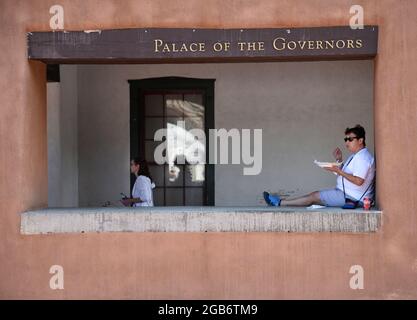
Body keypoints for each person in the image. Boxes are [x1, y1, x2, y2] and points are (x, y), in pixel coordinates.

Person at [263, 125, 375, 208]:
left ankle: (279, 203)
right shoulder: (356, 156)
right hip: (345, 193)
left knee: (313, 197)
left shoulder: (363, 158)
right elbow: (345, 172)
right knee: (314, 196)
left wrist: (338, 171)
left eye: (350, 139)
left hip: (352, 197)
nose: (347, 142)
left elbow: (359, 181)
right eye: (345, 139)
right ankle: (280, 202)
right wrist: (339, 160)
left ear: (361, 140)